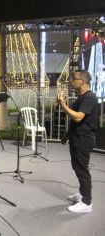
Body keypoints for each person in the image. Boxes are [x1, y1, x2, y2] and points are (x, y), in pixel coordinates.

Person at [58, 70, 98, 213]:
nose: (71, 81)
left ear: (82, 81)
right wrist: (67, 134)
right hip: (76, 139)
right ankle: (82, 194)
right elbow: (75, 122)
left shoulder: (89, 98)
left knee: (82, 171)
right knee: (78, 168)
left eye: (74, 78)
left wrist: (63, 105)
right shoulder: (81, 97)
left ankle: (86, 203)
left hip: (83, 140)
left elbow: (78, 117)